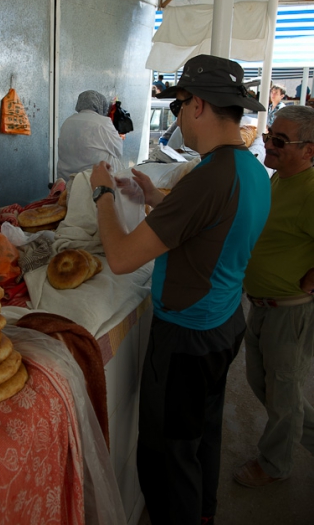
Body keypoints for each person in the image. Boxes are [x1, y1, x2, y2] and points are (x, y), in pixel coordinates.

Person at [90, 54, 271, 525]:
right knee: (202, 438)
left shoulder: (209, 176)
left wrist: (102, 195)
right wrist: (155, 198)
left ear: (198, 106)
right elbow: (212, 221)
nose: (177, 116)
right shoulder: (248, 168)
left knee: (168, 458)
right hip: (226, 322)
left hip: (187, 339)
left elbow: (123, 256)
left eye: (178, 105)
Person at [234, 106, 314, 488]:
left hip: (289, 311)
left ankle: (275, 463)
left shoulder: (310, 190)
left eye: (280, 141)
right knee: (264, 383)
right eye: (269, 136)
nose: (268, 144)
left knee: (283, 393)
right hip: (263, 304)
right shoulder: (279, 178)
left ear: (309, 151)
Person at [57, 90, 123, 181]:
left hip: (66, 177)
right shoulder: (103, 122)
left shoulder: (67, 121)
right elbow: (118, 150)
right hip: (95, 178)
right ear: (100, 104)